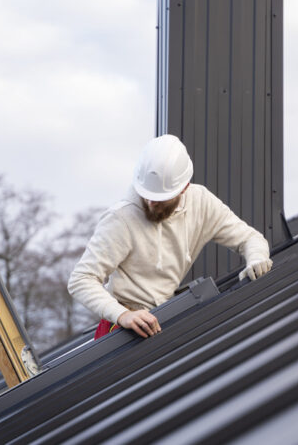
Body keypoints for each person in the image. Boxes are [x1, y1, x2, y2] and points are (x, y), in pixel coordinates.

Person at [68, 135, 273, 339]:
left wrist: (257, 259)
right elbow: (81, 279)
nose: (151, 204)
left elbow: (250, 238)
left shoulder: (201, 203)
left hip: (162, 319)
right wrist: (123, 315)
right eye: (147, 196)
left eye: (160, 199)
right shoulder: (121, 218)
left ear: (184, 188)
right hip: (121, 327)